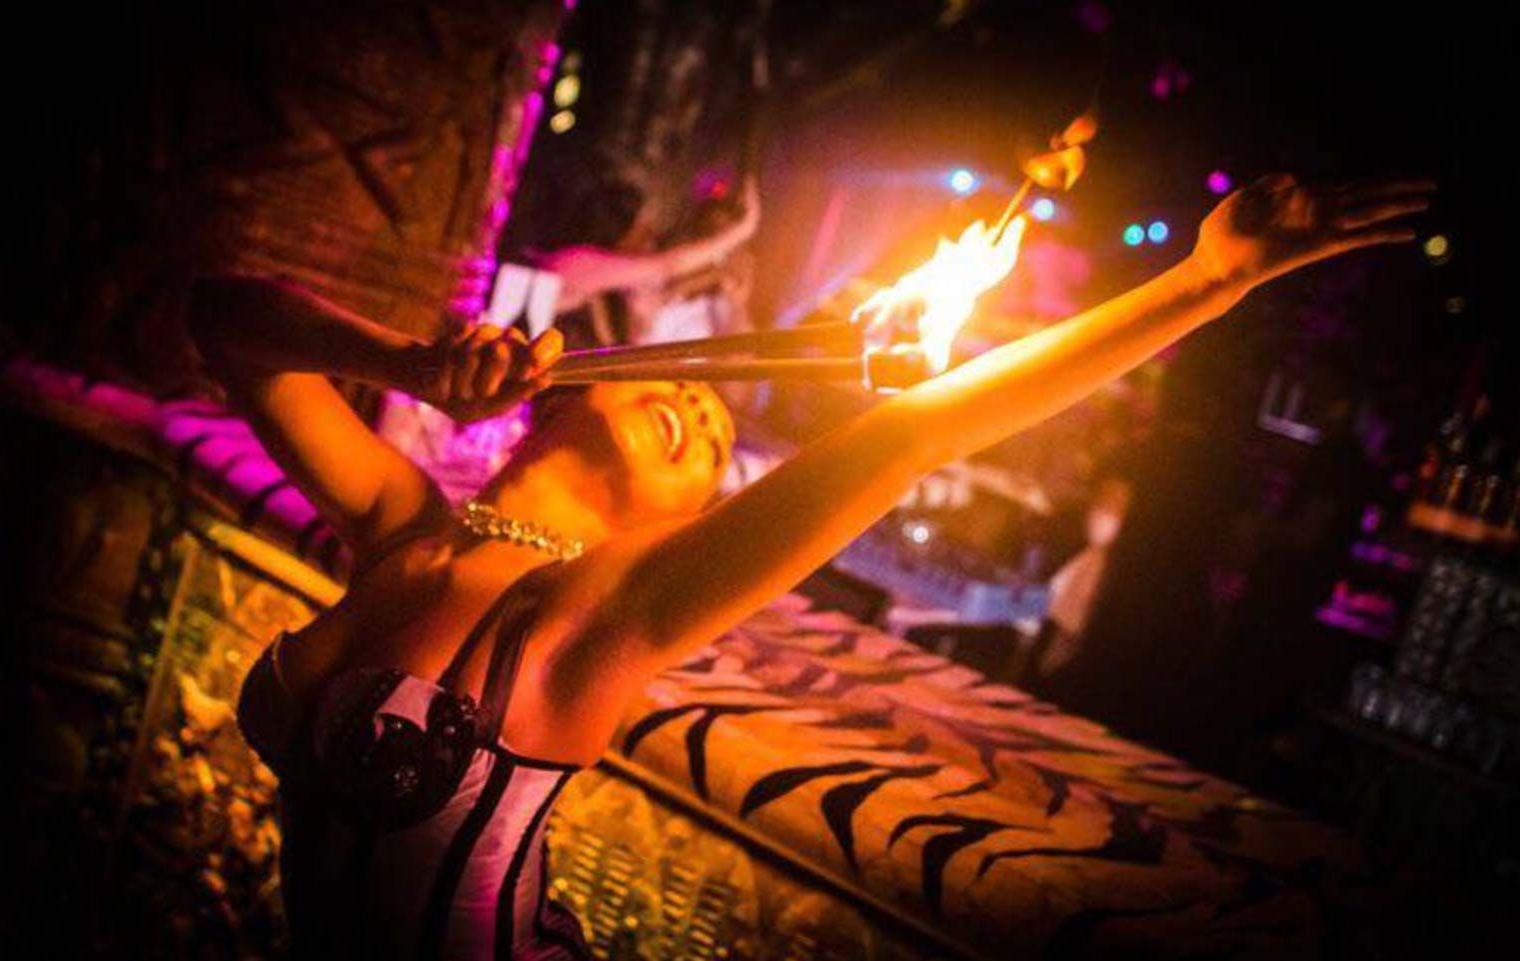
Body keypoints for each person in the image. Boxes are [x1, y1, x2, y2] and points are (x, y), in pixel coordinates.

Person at [188, 173, 1431, 959]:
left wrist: (1208, 281)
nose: (701, 411)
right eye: (689, 394)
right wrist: (409, 367)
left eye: (710, 449)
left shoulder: (591, 616)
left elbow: (915, 431)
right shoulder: (405, 525)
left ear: (677, 530)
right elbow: (226, 318)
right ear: (558, 398)